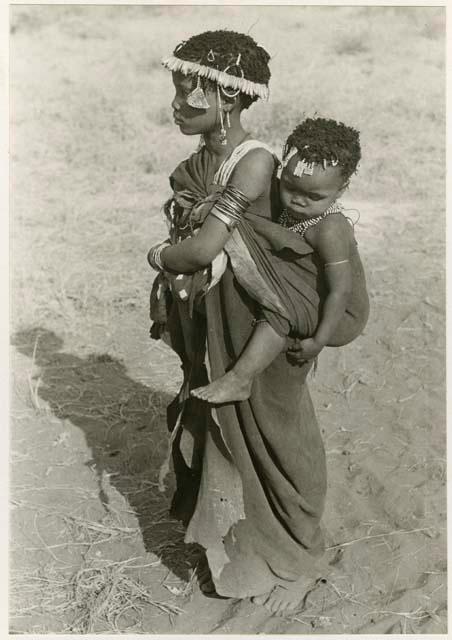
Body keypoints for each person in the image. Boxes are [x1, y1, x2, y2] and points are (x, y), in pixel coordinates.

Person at [148, 29, 343, 615]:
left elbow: (205, 248)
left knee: (274, 431)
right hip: (213, 317)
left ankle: (300, 553)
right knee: (223, 431)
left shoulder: (253, 161)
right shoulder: (196, 162)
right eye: (177, 93)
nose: (178, 105)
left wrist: (160, 256)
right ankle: (241, 555)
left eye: (190, 95)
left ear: (227, 98)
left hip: (262, 317)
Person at [192, 117, 369, 403]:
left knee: (279, 310)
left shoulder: (330, 228)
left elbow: (341, 291)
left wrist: (318, 341)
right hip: (315, 293)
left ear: (341, 190)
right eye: (290, 188)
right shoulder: (295, 209)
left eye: (314, 196)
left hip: (340, 313)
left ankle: (240, 379)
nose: (298, 201)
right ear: (282, 173)